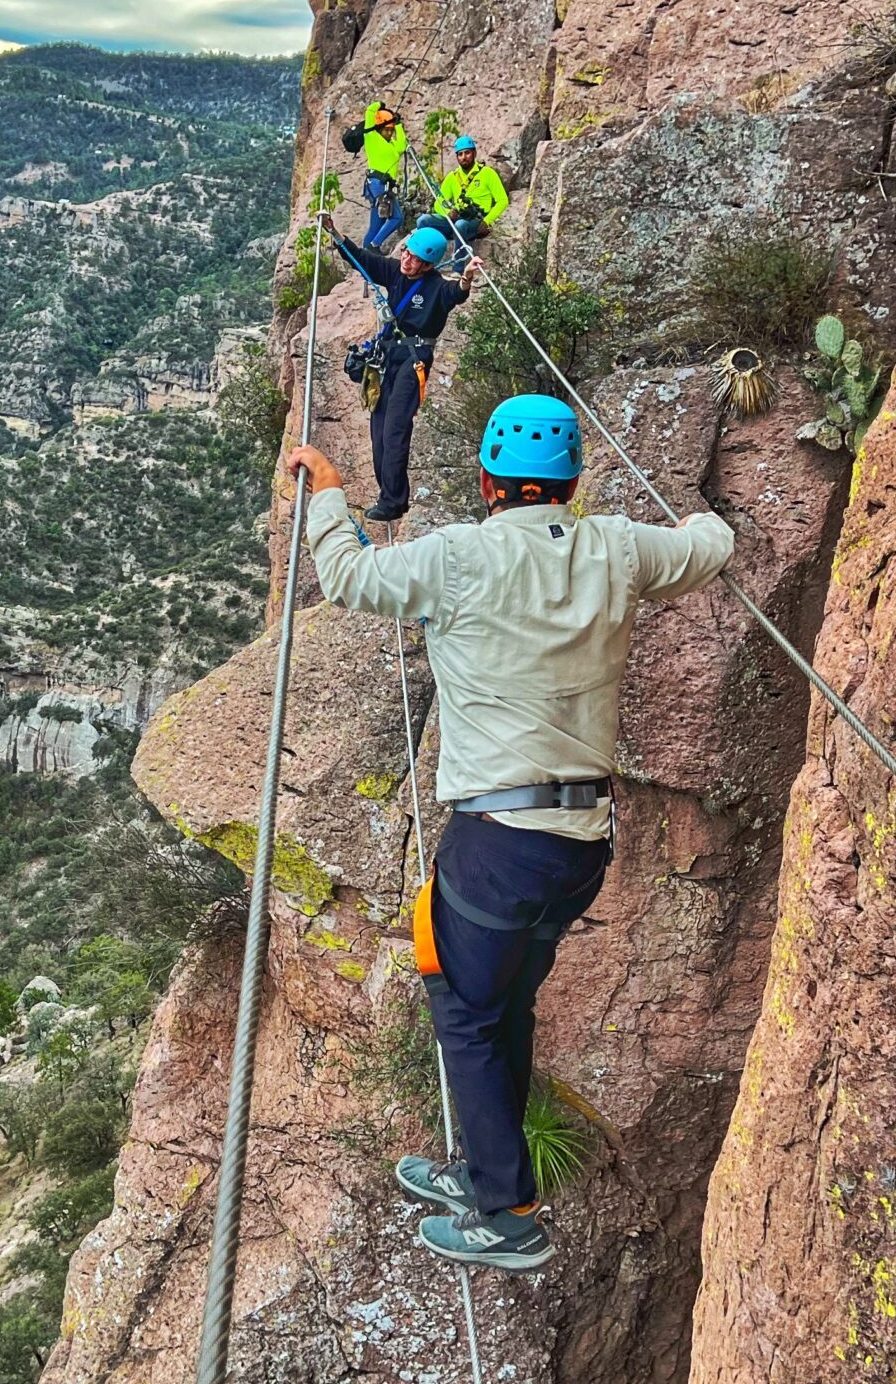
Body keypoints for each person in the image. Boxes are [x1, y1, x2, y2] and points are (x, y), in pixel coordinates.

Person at [284, 395, 735, 1271]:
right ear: (569, 482)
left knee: (463, 1007)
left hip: (500, 843)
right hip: (579, 844)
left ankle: (506, 1211)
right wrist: (704, 514)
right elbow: (707, 550)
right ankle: (487, 1169)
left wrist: (330, 491)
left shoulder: (458, 557)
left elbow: (347, 578)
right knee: (500, 1006)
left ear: (488, 479)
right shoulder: (617, 545)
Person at [317, 212, 481, 522]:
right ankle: (389, 496)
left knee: (395, 430)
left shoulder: (436, 287)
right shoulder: (394, 272)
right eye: (406, 252)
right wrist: (334, 233)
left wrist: (467, 276)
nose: (406, 260)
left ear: (429, 265)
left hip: (414, 361)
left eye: (415, 258)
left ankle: (393, 501)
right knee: (378, 432)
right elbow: (362, 260)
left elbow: (455, 294)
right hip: (387, 359)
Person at [415, 135, 509, 254]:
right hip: (456, 219)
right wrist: (448, 212)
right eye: (460, 154)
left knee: (461, 225)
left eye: (467, 153)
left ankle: (458, 268)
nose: (464, 157)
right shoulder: (452, 177)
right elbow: (438, 203)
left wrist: (487, 221)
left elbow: (503, 200)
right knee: (423, 220)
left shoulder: (488, 174)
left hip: (476, 221)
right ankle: (424, 257)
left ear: (474, 153)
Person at [357, 102, 408, 248]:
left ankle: (365, 256)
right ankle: (374, 245)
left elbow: (402, 146)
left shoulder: (392, 144)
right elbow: (369, 111)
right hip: (377, 184)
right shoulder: (372, 137)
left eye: (391, 130)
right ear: (379, 129)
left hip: (384, 186)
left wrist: (397, 125)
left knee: (376, 226)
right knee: (397, 218)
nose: (390, 133)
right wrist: (380, 105)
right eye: (387, 130)